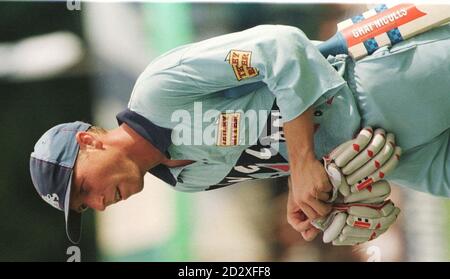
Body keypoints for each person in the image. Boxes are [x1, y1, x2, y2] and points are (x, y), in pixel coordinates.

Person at [30, 24, 450, 244]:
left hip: (379, 85)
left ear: (90, 141)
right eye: (85, 208)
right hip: (394, 157)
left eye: (84, 188)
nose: (98, 204)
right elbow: (287, 152)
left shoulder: (159, 87)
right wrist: (315, 201)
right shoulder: (187, 181)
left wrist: (303, 164)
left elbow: (279, 46)